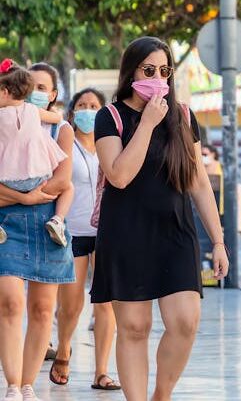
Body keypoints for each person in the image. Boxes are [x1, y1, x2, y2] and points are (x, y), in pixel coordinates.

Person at [91, 36, 229, 401]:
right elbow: (119, 175)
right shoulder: (111, 116)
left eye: (164, 70)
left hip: (175, 232)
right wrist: (148, 123)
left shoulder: (183, 115)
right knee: (134, 328)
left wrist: (218, 241)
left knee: (186, 322)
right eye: (149, 70)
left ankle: (161, 394)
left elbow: (199, 181)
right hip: (126, 233)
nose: (158, 77)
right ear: (131, 72)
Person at [0, 60, 76, 401]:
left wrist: (23, 198)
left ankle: (28, 384)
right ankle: (12, 384)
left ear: (53, 94)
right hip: (7, 223)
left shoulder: (59, 130)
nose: (34, 94)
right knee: (10, 302)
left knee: (44, 309)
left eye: (42, 88)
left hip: (48, 222)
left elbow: (63, 181)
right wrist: (25, 196)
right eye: (31, 87)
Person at [48, 88, 120, 391]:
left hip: (107, 231)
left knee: (106, 303)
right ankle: (64, 348)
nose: (88, 110)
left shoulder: (111, 144)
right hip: (72, 232)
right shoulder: (63, 141)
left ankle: (101, 371)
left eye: (94, 105)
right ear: (73, 111)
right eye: (82, 105)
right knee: (71, 304)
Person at [201, 144, 224, 215]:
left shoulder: (222, 167)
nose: (202, 157)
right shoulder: (200, 169)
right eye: (200, 154)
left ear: (213, 154)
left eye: (204, 154)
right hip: (204, 203)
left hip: (220, 202)